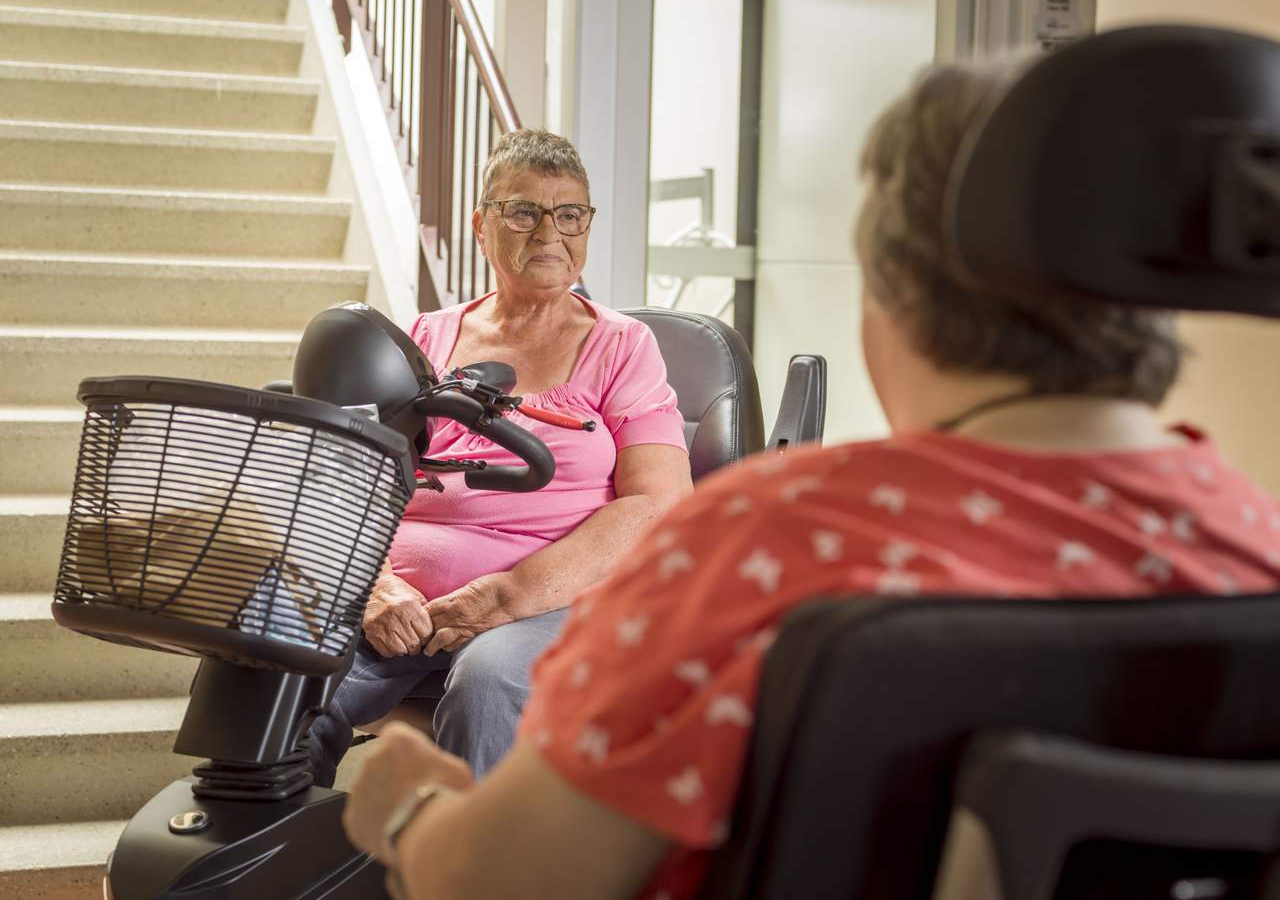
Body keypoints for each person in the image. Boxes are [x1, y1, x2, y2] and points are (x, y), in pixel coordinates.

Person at [340, 58, 1280, 900]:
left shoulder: (754, 541)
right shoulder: (1257, 548)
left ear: (894, 289)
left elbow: (513, 879)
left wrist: (408, 804)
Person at [306, 129, 694, 787]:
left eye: (570, 214)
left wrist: (505, 595)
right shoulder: (426, 337)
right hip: (400, 603)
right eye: (525, 212)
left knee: (488, 685)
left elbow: (658, 503)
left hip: (549, 600)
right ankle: (269, 861)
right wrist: (375, 585)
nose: (551, 232)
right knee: (287, 666)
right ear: (483, 226)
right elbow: (351, 483)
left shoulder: (624, 346)